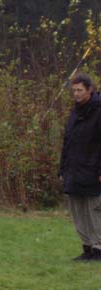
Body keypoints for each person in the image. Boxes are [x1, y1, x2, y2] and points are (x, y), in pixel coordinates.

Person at [59, 72, 101, 261]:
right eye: (74, 90)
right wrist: (62, 169)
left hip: (92, 170)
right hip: (73, 170)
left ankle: (98, 247)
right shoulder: (75, 112)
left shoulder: (98, 112)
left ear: (89, 90)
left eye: (79, 90)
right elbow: (67, 142)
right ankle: (87, 248)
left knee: (94, 210)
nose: (76, 94)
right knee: (77, 210)